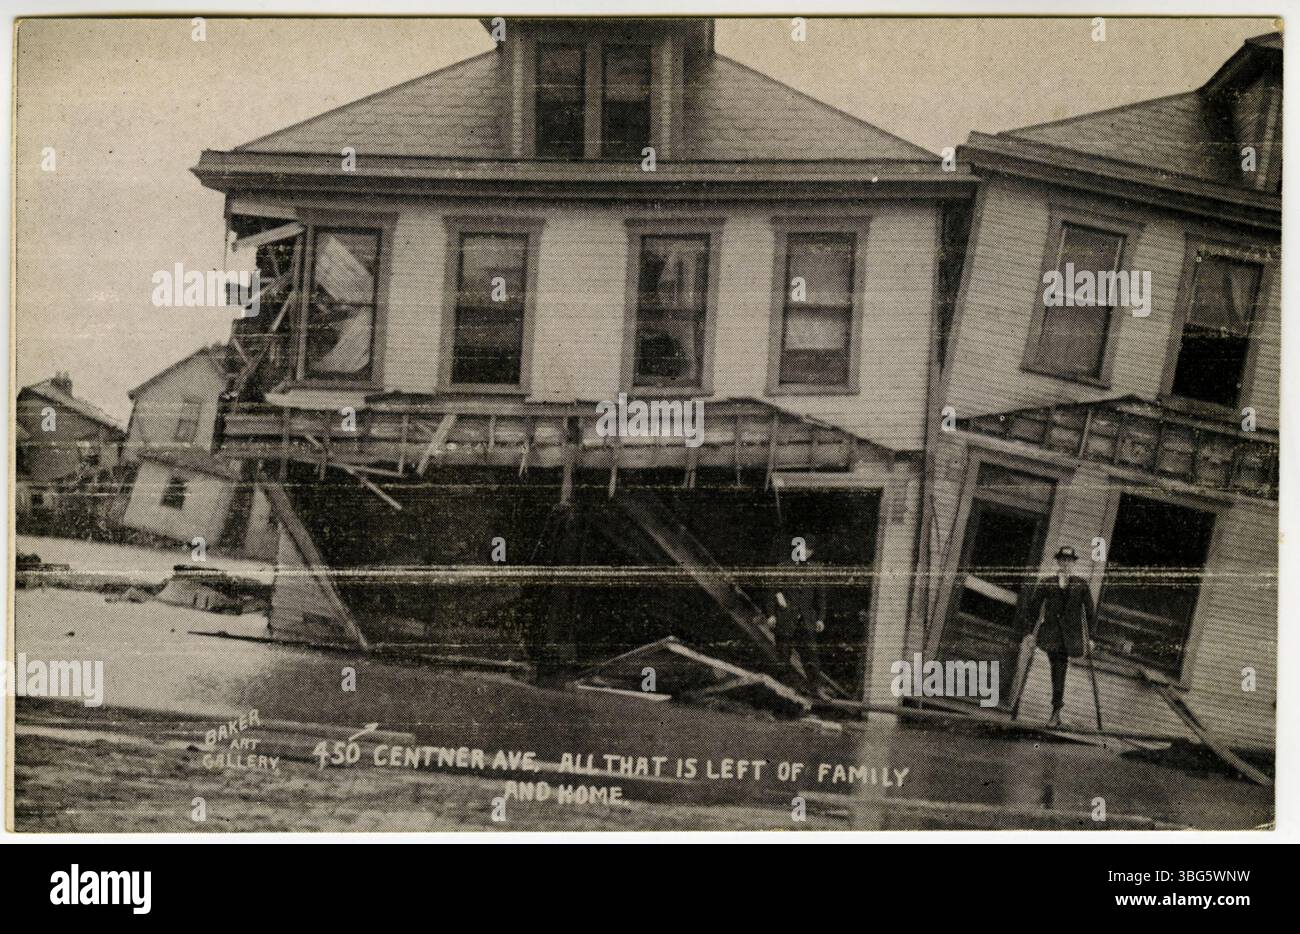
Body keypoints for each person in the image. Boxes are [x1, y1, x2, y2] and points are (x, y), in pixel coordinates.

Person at [1019, 545, 1098, 728]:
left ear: (1073, 563)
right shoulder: (1047, 582)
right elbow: (1033, 609)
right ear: (1058, 561)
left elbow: (1090, 614)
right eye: (1062, 560)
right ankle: (1055, 711)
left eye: (1069, 561)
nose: (1065, 564)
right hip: (1051, 635)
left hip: (1070, 638)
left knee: (1059, 670)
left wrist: (1091, 638)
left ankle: (1056, 711)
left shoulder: (1081, 585)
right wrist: (1030, 633)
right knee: (1058, 669)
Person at [765, 543, 828, 697]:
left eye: (810, 550)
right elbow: (772, 592)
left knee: (811, 655)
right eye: (803, 549)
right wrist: (771, 614)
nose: (806, 553)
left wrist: (820, 619)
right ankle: (783, 691)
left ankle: (817, 689)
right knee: (783, 656)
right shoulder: (783, 567)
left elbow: (820, 598)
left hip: (806, 621)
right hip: (785, 619)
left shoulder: (816, 571)